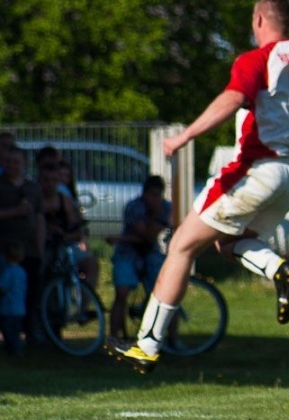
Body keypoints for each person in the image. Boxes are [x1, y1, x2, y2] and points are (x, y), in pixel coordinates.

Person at [107, 0, 289, 373]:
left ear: (259, 20)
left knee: (181, 245)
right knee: (231, 243)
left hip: (256, 169)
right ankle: (277, 269)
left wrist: (185, 137)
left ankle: (147, 345)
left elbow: (231, 98)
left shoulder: (257, 59)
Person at [107, 175, 172, 338]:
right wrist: (156, 215)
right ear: (144, 193)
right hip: (128, 252)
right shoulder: (134, 207)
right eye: (151, 195)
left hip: (150, 252)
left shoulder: (165, 207)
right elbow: (146, 234)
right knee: (121, 292)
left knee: (168, 292)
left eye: (158, 195)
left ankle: (172, 340)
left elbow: (149, 237)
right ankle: (114, 336)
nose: (154, 199)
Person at [0, 146, 46, 346]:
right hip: (4, 248)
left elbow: (39, 218)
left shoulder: (33, 188)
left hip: (28, 248)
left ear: (24, 164)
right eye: (8, 161)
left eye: (16, 162)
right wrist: (15, 211)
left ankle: (30, 334)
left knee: (30, 293)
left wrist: (40, 246)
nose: (11, 166)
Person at [38, 162, 99, 290]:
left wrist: (68, 235)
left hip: (63, 245)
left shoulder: (64, 200)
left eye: (54, 180)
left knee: (91, 264)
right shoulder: (34, 199)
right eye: (46, 180)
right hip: (42, 248)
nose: (50, 184)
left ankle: (83, 307)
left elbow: (76, 228)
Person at [0, 242, 28, 357]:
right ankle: (16, 349)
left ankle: (12, 349)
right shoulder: (22, 272)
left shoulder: (7, 272)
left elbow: (2, 288)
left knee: (8, 331)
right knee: (16, 331)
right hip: (19, 308)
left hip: (7, 308)